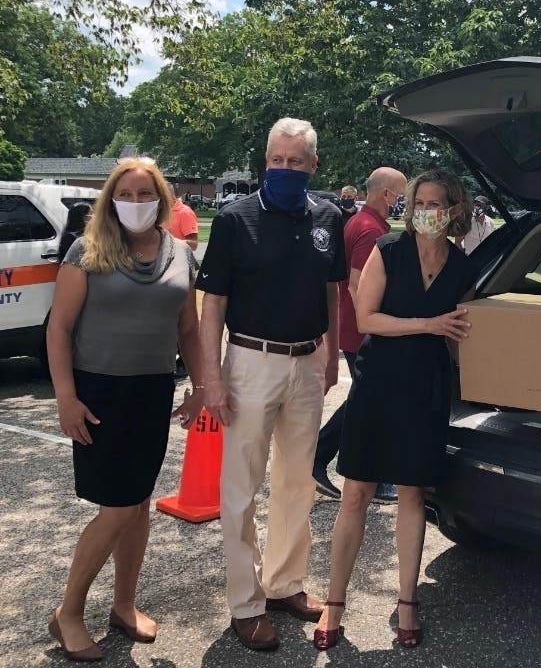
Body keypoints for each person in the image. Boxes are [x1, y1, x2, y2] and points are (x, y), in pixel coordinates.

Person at [45, 157, 204, 662]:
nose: (135, 203)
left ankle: (124, 603)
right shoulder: (86, 250)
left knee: (137, 504)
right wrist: (66, 397)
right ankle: (68, 612)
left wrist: (202, 384)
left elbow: (190, 329)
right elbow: (59, 329)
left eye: (145, 194)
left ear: (162, 199)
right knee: (116, 508)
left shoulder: (179, 253)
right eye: (126, 194)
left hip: (151, 391)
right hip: (98, 394)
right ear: (110, 199)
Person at [197, 117, 346, 651]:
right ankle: (246, 603)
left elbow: (332, 291)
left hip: (307, 362)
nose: (286, 168)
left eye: (296, 161)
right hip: (250, 361)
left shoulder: (329, 215)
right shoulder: (236, 219)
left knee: (296, 481)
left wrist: (329, 357)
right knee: (240, 487)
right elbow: (212, 304)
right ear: (266, 161)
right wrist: (211, 377)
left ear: (313, 165)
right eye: (277, 160)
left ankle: (284, 584)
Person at [313, 169, 477, 651]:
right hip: (379, 382)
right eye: (419, 201)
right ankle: (334, 600)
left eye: (436, 203)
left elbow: (461, 335)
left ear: (453, 210)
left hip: (427, 387)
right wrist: (429, 323)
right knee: (356, 492)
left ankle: (407, 600)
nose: (426, 210)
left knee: (411, 493)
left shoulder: (462, 264)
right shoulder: (387, 250)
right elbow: (366, 319)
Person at [313, 167, 408, 503]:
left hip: (358, 329)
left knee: (367, 399)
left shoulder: (362, 223)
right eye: (402, 193)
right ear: (386, 194)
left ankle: (320, 457)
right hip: (364, 332)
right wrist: (376, 323)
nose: (403, 201)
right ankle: (368, 474)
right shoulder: (369, 231)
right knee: (373, 402)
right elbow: (357, 284)